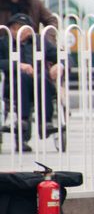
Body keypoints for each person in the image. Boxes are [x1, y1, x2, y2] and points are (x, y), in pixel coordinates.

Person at [0, 14, 60, 152]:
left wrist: (60, 65)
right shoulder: (3, 43)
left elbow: (62, 56)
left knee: (40, 78)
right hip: (14, 85)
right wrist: (18, 65)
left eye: (21, 28)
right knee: (23, 77)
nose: (17, 32)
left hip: (40, 83)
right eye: (13, 28)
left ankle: (46, 121)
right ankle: (23, 120)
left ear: (30, 29)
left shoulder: (39, 42)